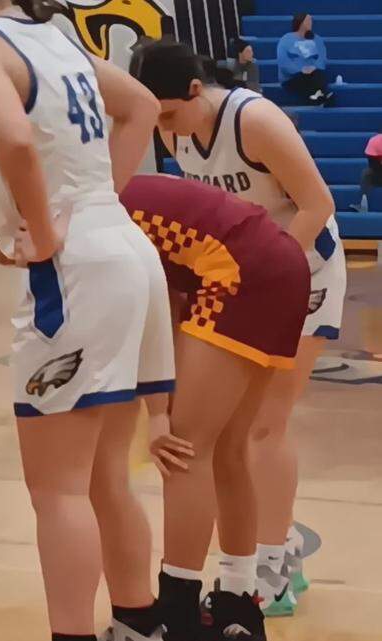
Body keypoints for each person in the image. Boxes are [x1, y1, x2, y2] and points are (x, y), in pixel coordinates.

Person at [0, 1, 176, 640]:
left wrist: (42, 232)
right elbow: (144, 107)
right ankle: (139, 625)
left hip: (75, 266)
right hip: (122, 246)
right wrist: (100, 199)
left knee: (58, 491)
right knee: (104, 479)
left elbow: (14, 138)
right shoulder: (55, 34)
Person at [133, 38, 344, 624]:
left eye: (170, 113)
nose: (164, 127)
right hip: (235, 277)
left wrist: (266, 272)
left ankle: (273, 566)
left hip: (302, 267)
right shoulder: (174, 128)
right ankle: (263, 562)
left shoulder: (252, 118)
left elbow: (317, 203)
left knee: (263, 427)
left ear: (197, 91)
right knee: (226, 434)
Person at [277, 13, 333, 105]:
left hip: (314, 74)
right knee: (308, 79)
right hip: (293, 77)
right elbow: (283, 62)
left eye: (311, 20)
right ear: (301, 22)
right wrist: (300, 70)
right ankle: (323, 96)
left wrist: (314, 67)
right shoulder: (286, 39)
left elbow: (322, 58)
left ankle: (319, 96)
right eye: (308, 20)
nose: (311, 23)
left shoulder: (317, 39)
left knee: (317, 74)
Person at [352, 132, 382, 212]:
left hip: (377, 172)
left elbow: (373, 164)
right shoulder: (375, 141)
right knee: (366, 173)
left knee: (366, 173)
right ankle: (363, 205)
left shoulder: (374, 141)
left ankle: (363, 204)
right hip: (378, 174)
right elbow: (373, 166)